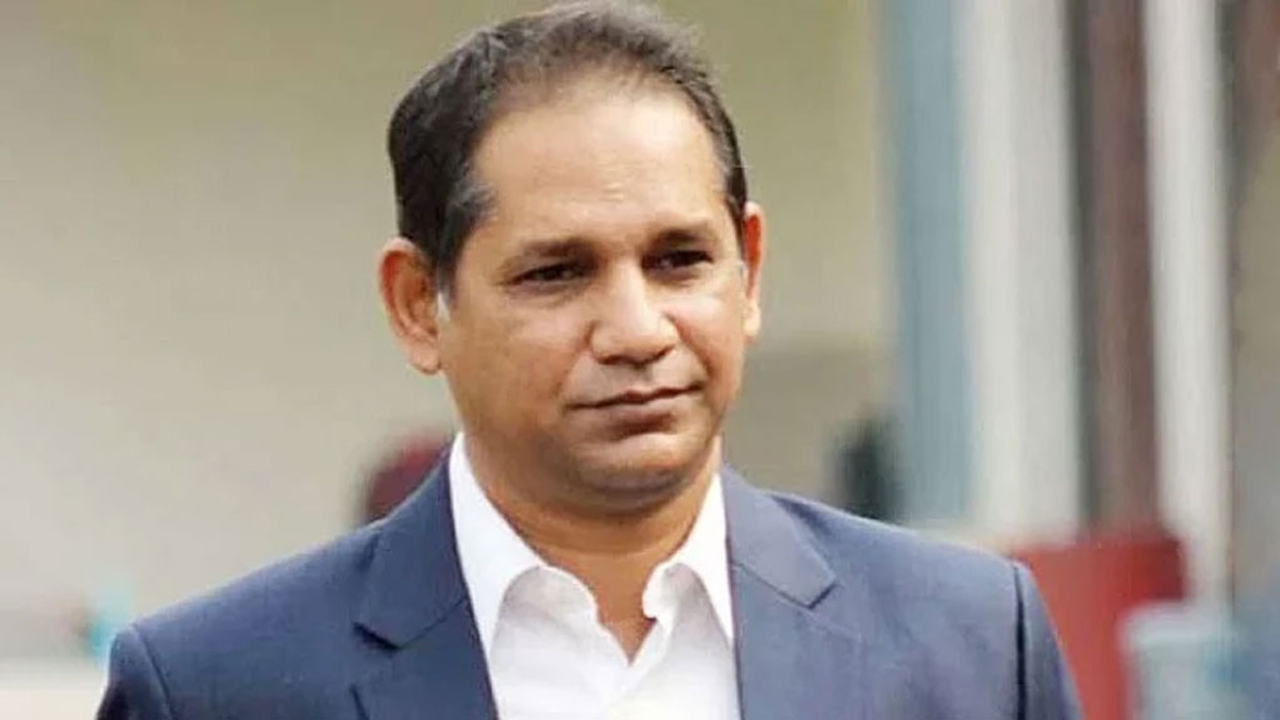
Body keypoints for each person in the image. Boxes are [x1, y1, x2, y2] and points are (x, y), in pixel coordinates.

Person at [97, 3, 1080, 718]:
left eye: (679, 259)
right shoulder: (218, 688)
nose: (637, 330)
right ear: (417, 305)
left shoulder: (966, 646)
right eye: (557, 274)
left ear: (748, 270)